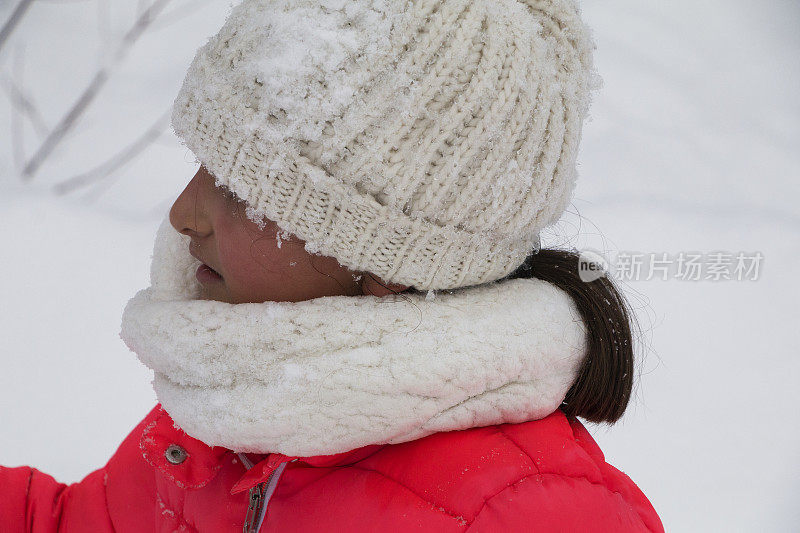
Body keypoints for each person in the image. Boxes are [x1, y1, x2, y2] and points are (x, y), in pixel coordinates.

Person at [0, 0, 664, 531]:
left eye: (242, 188)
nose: (183, 213)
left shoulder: (530, 516)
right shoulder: (242, 407)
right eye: (201, 163)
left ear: (389, 264)